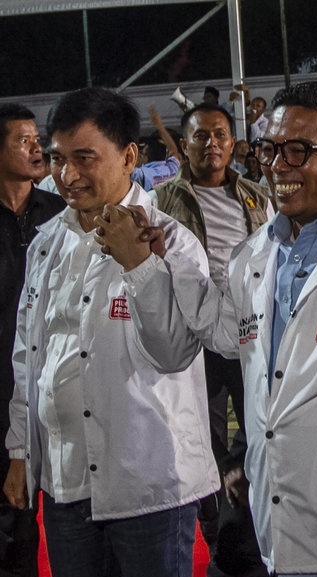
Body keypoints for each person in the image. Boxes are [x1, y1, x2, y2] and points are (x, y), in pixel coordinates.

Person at [98, 81, 317, 577]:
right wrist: (165, 264)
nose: (277, 165)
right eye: (270, 149)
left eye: (299, 150)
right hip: (287, 526)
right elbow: (225, 334)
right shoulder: (255, 255)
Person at [3, 87, 220, 577]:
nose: (67, 175)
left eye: (85, 158)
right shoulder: (47, 243)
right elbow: (28, 353)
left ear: (128, 157)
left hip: (149, 487)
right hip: (64, 482)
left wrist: (141, 265)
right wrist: (21, 451)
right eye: (58, 158)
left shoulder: (172, 241)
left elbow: (173, 353)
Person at [154, 101, 273, 577]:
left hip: (248, 331)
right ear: (184, 146)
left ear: (232, 140)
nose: (212, 144)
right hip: (193, 332)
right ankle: (215, 522)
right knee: (200, 433)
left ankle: (241, 517)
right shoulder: (163, 199)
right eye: (201, 136)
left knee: (256, 425)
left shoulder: (255, 195)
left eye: (220, 134)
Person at [0, 103, 65, 577]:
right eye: (23, 140)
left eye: (36, 138)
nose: (36, 146)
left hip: (47, 387)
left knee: (43, 518)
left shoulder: (60, 214)